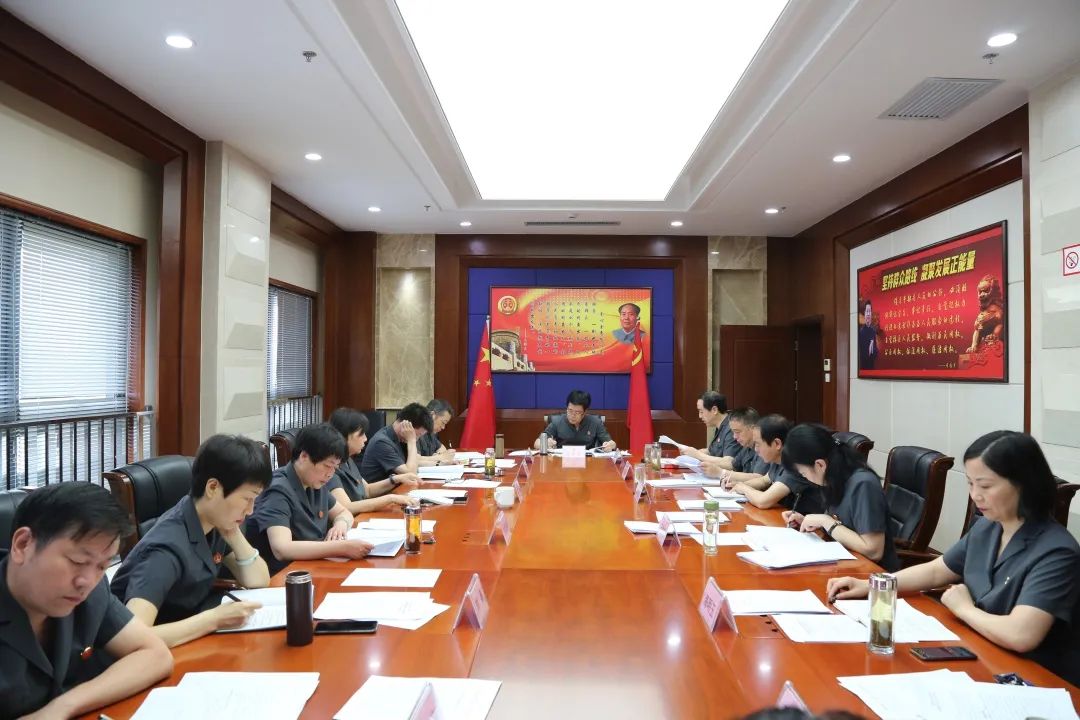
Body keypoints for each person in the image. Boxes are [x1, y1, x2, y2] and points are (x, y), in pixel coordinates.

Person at [828, 431, 1080, 685]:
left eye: (985, 486)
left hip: (1029, 677)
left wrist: (964, 609)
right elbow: (937, 570)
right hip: (978, 650)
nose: (975, 495)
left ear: (1023, 484)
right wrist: (875, 585)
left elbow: (1021, 635)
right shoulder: (989, 526)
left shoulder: (1056, 551)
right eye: (970, 484)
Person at [1, 482, 172, 718]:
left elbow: (155, 654)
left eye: (102, 566)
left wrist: (62, 707)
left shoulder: (91, 591)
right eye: (77, 561)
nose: (87, 581)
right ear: (23, 545)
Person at [111, 435, 272, 648]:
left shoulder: (211, 522)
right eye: (247, 499)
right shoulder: (164, 550)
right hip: (157, 652)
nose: (250, 510)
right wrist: (213, 620)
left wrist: (233, 532)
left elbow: (258, 580)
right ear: (212, 488)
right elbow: (133, 638)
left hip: (188, 639)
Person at [244, 423, 372, 575]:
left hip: (314, 567)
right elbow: (282, 549)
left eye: (335, 467)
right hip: (285, 576)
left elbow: (343, 512)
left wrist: (340, 526)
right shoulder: (278, 489)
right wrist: (342, 548)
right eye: (327, 466)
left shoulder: (314, 482)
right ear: (304, 456)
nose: (330, 474)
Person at [780, 423, 899, 571]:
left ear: (820, 465)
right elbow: (841, 526)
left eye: (803, 473)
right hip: (844, 565)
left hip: (871, 574)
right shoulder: (834, 478)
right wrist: (807, 521)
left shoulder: (863, 484)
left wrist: (825, 521)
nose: (806, 478)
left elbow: (873, 551)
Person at [327, 407, 420, 515]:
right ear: (344, 436)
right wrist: (391, 498)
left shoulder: (348, 460)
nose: (365, 439)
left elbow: (367, 490)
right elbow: (347, 507)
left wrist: (395, 479)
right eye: (361, 434)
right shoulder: (330, 466)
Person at [723, 415, 823, 513]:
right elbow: (764, 480)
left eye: (758, 444)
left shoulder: (795, 464)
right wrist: (737, 485)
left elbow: (763, 501)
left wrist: (743, 488)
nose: (756, 449)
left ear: (777, 444)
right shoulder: (777, 459)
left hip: (807, 521)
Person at [359, 402, 433, 483]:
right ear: (406, 425)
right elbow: (411, 475)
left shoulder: (401, 439)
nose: (417, 439)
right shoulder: (381, 442)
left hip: (397, 488)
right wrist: (412, 441)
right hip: (383, 490)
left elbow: (414, 464)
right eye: (418, 435)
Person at [534, 390, 616, 451]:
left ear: (584, 412)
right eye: (570, 410)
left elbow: (612, 443)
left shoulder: (595, 422)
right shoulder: (557, 421)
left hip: (588, 462)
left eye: (577, 412)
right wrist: (546, 444)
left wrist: (610, 445)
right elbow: (536, 443)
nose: (572, 415)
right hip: (561, 462)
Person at [679, 391, 740, 463]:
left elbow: (729, 463)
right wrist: (690, 452)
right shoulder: (720, 425)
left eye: (701, 412)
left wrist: (697, 455)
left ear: (714, 410)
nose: (700, 416)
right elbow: (711, 451)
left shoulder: (732, 427)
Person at [703, 406, 760, 473]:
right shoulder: (746, 447)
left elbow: (758, 476)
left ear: (753, 429)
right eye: (733, 432)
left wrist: (721, 473)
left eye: (737, 432)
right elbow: (732, 465)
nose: (734, 437)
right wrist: (707, 465)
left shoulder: (763, 448)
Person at [967, 273, 1005, 352]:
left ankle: (994, 337)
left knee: (999, 326)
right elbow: (976, 327)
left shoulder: (996, 307)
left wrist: (988, 317)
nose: (981, 295)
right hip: (985, 334)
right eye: (980, 292)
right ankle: (974, 346)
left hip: (996, 332)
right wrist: (978, 323)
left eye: (986, 291)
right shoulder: (983, 310)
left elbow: (999, 317)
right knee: (977, 329)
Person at [417, 399, 457, 466]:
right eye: (443, 422)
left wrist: (439, 455)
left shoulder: (431, 431)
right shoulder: (416, 429)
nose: (443, 427)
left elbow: (442, 449)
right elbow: (415, 459)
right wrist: (439, 457)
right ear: (432, 415)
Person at [857, 300, 877, 370]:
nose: (868, 314)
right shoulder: (859, 331)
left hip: (870, 368)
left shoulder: (872, 330)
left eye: (869, 311)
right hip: (861, 368)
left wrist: (873, 351)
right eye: (866, 311)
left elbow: (874, 350)